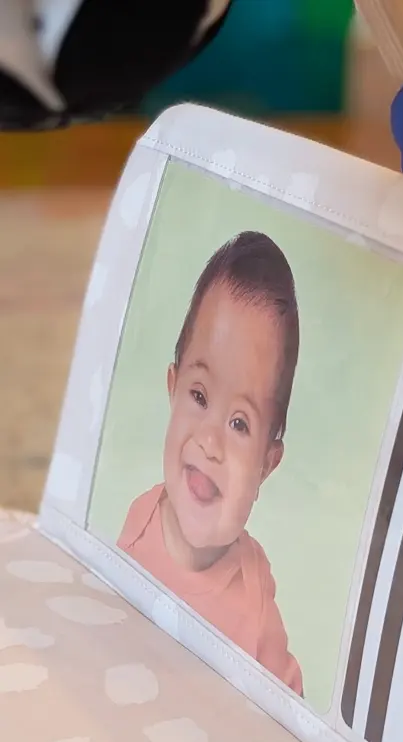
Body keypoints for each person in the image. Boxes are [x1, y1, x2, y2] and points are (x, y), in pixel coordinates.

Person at [118, 230, 303, 696]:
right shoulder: (140, 521)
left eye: (240, 423)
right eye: (199, 396)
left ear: (267, 464)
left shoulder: (256, 609)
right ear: (173, 387)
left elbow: (291, 728)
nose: (210, 441)